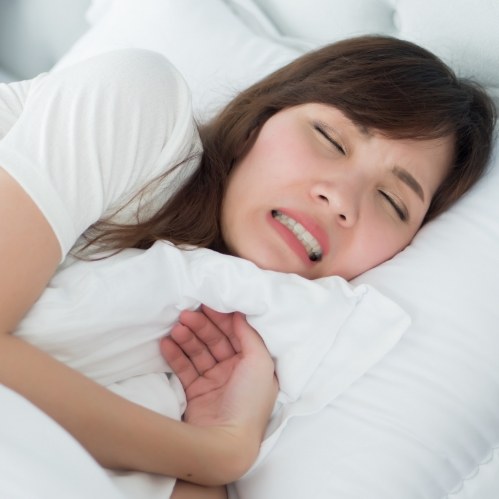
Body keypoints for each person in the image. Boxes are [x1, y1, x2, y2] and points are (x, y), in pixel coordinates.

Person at [0, 35, 496, 498]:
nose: (341, 197)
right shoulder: (140, 107)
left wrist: (221, 432)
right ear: (259, 121)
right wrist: (218, 454)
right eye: (330, 138)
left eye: (391, 199)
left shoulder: (246, 350)